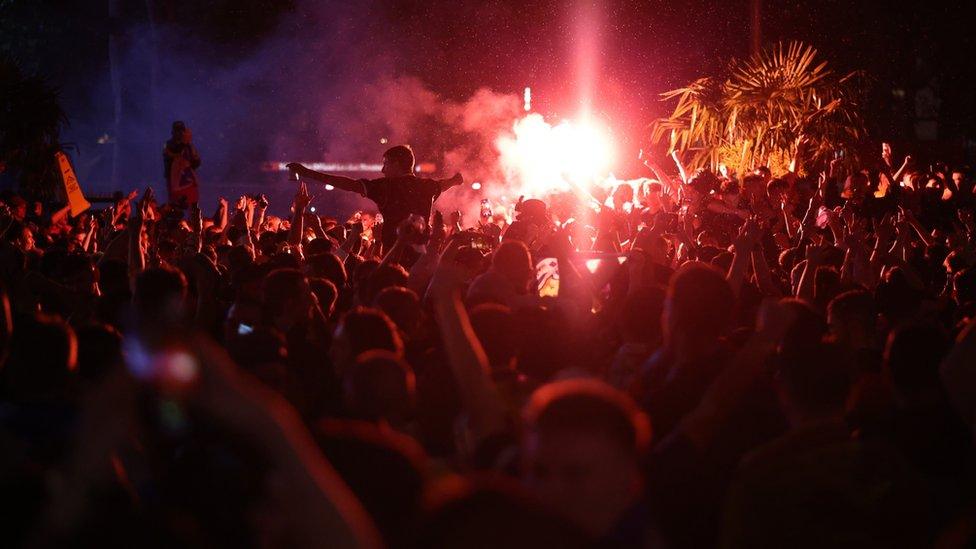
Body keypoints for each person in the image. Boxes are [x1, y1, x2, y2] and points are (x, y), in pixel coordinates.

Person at [287, 145, 463, 250]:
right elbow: (443, 184)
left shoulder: (386, 187)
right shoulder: (428, 186)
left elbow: (348, 184)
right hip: (422, 255)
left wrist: (308, 173)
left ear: (396, 163)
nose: (382, 170)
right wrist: (456, 180)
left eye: (385, 163)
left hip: (393, 254)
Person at [162, 121, 201, 207]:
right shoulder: (168, 145)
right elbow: (171, 154)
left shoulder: (190, 146)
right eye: (177, 131)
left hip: (189, 182)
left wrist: (190, 164)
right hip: (175, 183)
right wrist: (184, 143)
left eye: (181, 131)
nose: (179, 133)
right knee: (176, 206)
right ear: (173, 132)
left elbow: (197, 161)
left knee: (192, 205)